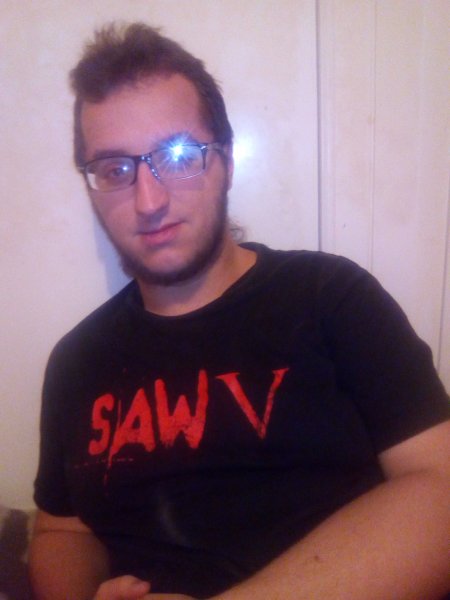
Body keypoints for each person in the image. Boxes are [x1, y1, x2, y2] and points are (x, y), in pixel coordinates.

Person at [29, 22, 450, 600]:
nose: (149, 200)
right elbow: (61, 531)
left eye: (179, 155)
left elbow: (440, 487)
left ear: (225, 160)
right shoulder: (76, 361)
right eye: (115, 170)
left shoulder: (330, 296)